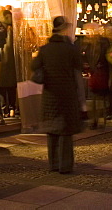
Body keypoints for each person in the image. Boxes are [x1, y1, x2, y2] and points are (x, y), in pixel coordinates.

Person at [31, 16, 82, 174]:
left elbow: (34, 65)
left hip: (50, 94)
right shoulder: (71, 49)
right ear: (64, 29)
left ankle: (53, 163)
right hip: (67, 93)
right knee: (65, 131)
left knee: (52, 130)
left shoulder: (45, 49)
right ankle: (65, 166)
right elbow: (79, 67)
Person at [0, 6, 17, 118]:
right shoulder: (14, 30)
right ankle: (13, 108)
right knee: (12, 86)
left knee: (1, 86)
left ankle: (5, 109)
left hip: (0, 61)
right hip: (12, 62)